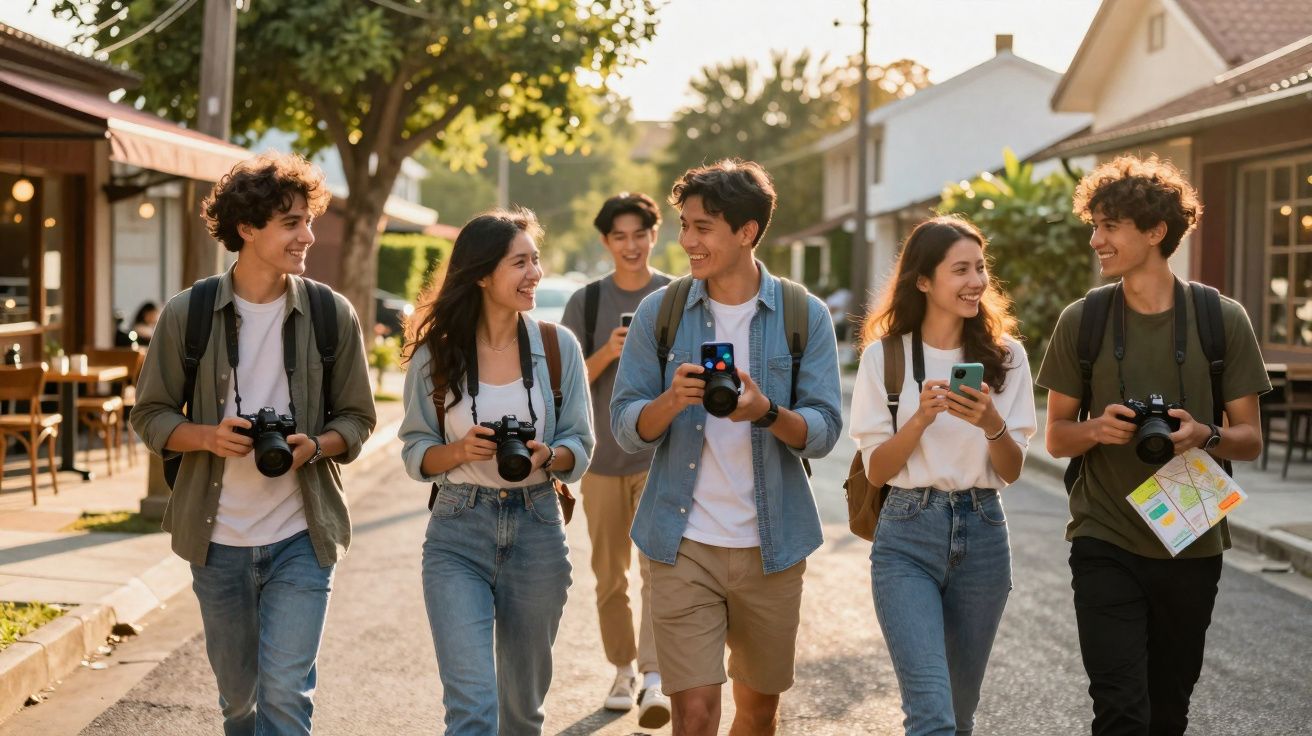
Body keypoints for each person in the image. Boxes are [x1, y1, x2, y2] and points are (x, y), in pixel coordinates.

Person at [131, 152, 377, 736]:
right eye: (291, 222)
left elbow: (359, 420)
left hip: (301, 535)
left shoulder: (329, 314)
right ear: (247, 228)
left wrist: (314, 446)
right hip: (217, 542)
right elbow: (149, 415)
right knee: (239, 702)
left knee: (287, 695)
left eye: (307, 220)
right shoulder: (187, 314)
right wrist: (207, 437)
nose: (307, 235)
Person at [1037, 155, 1269, 736]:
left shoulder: (1222, 320)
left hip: (1192, 542)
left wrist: (1204, 435)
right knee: (1119, 710)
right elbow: (1057, 436)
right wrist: (1096, 430)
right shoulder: (1082, 321)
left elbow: (1249, 441)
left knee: (1168, 711)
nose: (1096, 241)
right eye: (1094, 226)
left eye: (1109, 227)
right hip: (1103, 537)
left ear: (1156, 231)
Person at [610, 160, 842, 736]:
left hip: (773, 542)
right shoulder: (660, 312)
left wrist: (764, 412)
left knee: (758, 711)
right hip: (682, 541)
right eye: (684, 225)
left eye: (703, 227)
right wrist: (671, 401)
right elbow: (623, 423)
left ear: (746, 232)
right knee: (694, 713)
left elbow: (825, 427)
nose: (687, 241)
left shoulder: (801, 313)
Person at [399, 208, 595, 735]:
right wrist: (460, 451)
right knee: (472, 708)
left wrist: (547, 456)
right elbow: (416, 450)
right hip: (457, 531)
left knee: (522, 713)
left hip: (537, 527)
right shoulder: (436, 355)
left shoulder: (558, 347)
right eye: (519, 262)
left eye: (536, 260)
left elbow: (581, 442)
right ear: (483, 273)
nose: (534, 273)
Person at [849, 215, 1036, 736]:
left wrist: (991, 421)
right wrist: (921, 418)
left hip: (983, 533)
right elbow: (878, 469)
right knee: (930, 715)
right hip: (906, 535)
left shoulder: (1007, 358)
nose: (976, 280)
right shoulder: (883, 357)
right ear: (924, 281)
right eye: (960, 270)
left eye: (980, 267)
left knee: (958, 716)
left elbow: (1013, 471)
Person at [560, 192, 673, 725]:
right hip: (601, 459)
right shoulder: (584, 302)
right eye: (619, 236)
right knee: (611, 575)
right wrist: (608, 349)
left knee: (659, 571)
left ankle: (654, 677)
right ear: (606, 242)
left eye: (640, 233)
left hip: (661, 457)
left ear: (655, 235)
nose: (631, 245)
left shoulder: (676, 295)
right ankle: (623, 669)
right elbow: (561, 385)